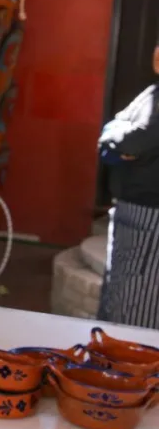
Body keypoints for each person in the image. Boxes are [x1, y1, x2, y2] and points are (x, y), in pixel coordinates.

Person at [96, 34, 159, 329]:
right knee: (119, 297)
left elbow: (132, 143)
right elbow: (113, 133)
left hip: (149, 218)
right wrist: (114, 136)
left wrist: (114, 137)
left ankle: (130, 374)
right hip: (135, 213)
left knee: (134, 312)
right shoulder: (152, 92)